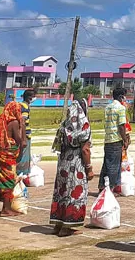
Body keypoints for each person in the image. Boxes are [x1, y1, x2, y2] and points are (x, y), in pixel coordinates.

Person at [50, 99, 93, 236]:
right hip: (76, 164)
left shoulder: (65, 125)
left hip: (63, 164)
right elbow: (85, 150)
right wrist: (89, 168)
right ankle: (67, 228)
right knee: (75, 193)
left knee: (62, 192)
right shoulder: (83, 127)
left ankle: (58, 225)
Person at [0, 102, 23, 216]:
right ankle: (6, 209)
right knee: (8, 181)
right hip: (8, 156)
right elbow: (18, 139)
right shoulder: (14, 122)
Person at [99, 88, 129, 192]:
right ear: (121, 96)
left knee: (106, 163)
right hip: (116, 139)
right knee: (114, 166)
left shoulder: (107, 107)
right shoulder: (120, 108)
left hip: (107, 139)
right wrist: (125, 139)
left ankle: (102, 185)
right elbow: (121, 126)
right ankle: (110, 188)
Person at [16, 90, 34, 176]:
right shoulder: (25, 107)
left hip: (21, 133)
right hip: (25, 134)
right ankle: (22, 173)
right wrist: (23, 138)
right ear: (29, 98)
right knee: (23, 155)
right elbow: (22, 121)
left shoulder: (20, 105)